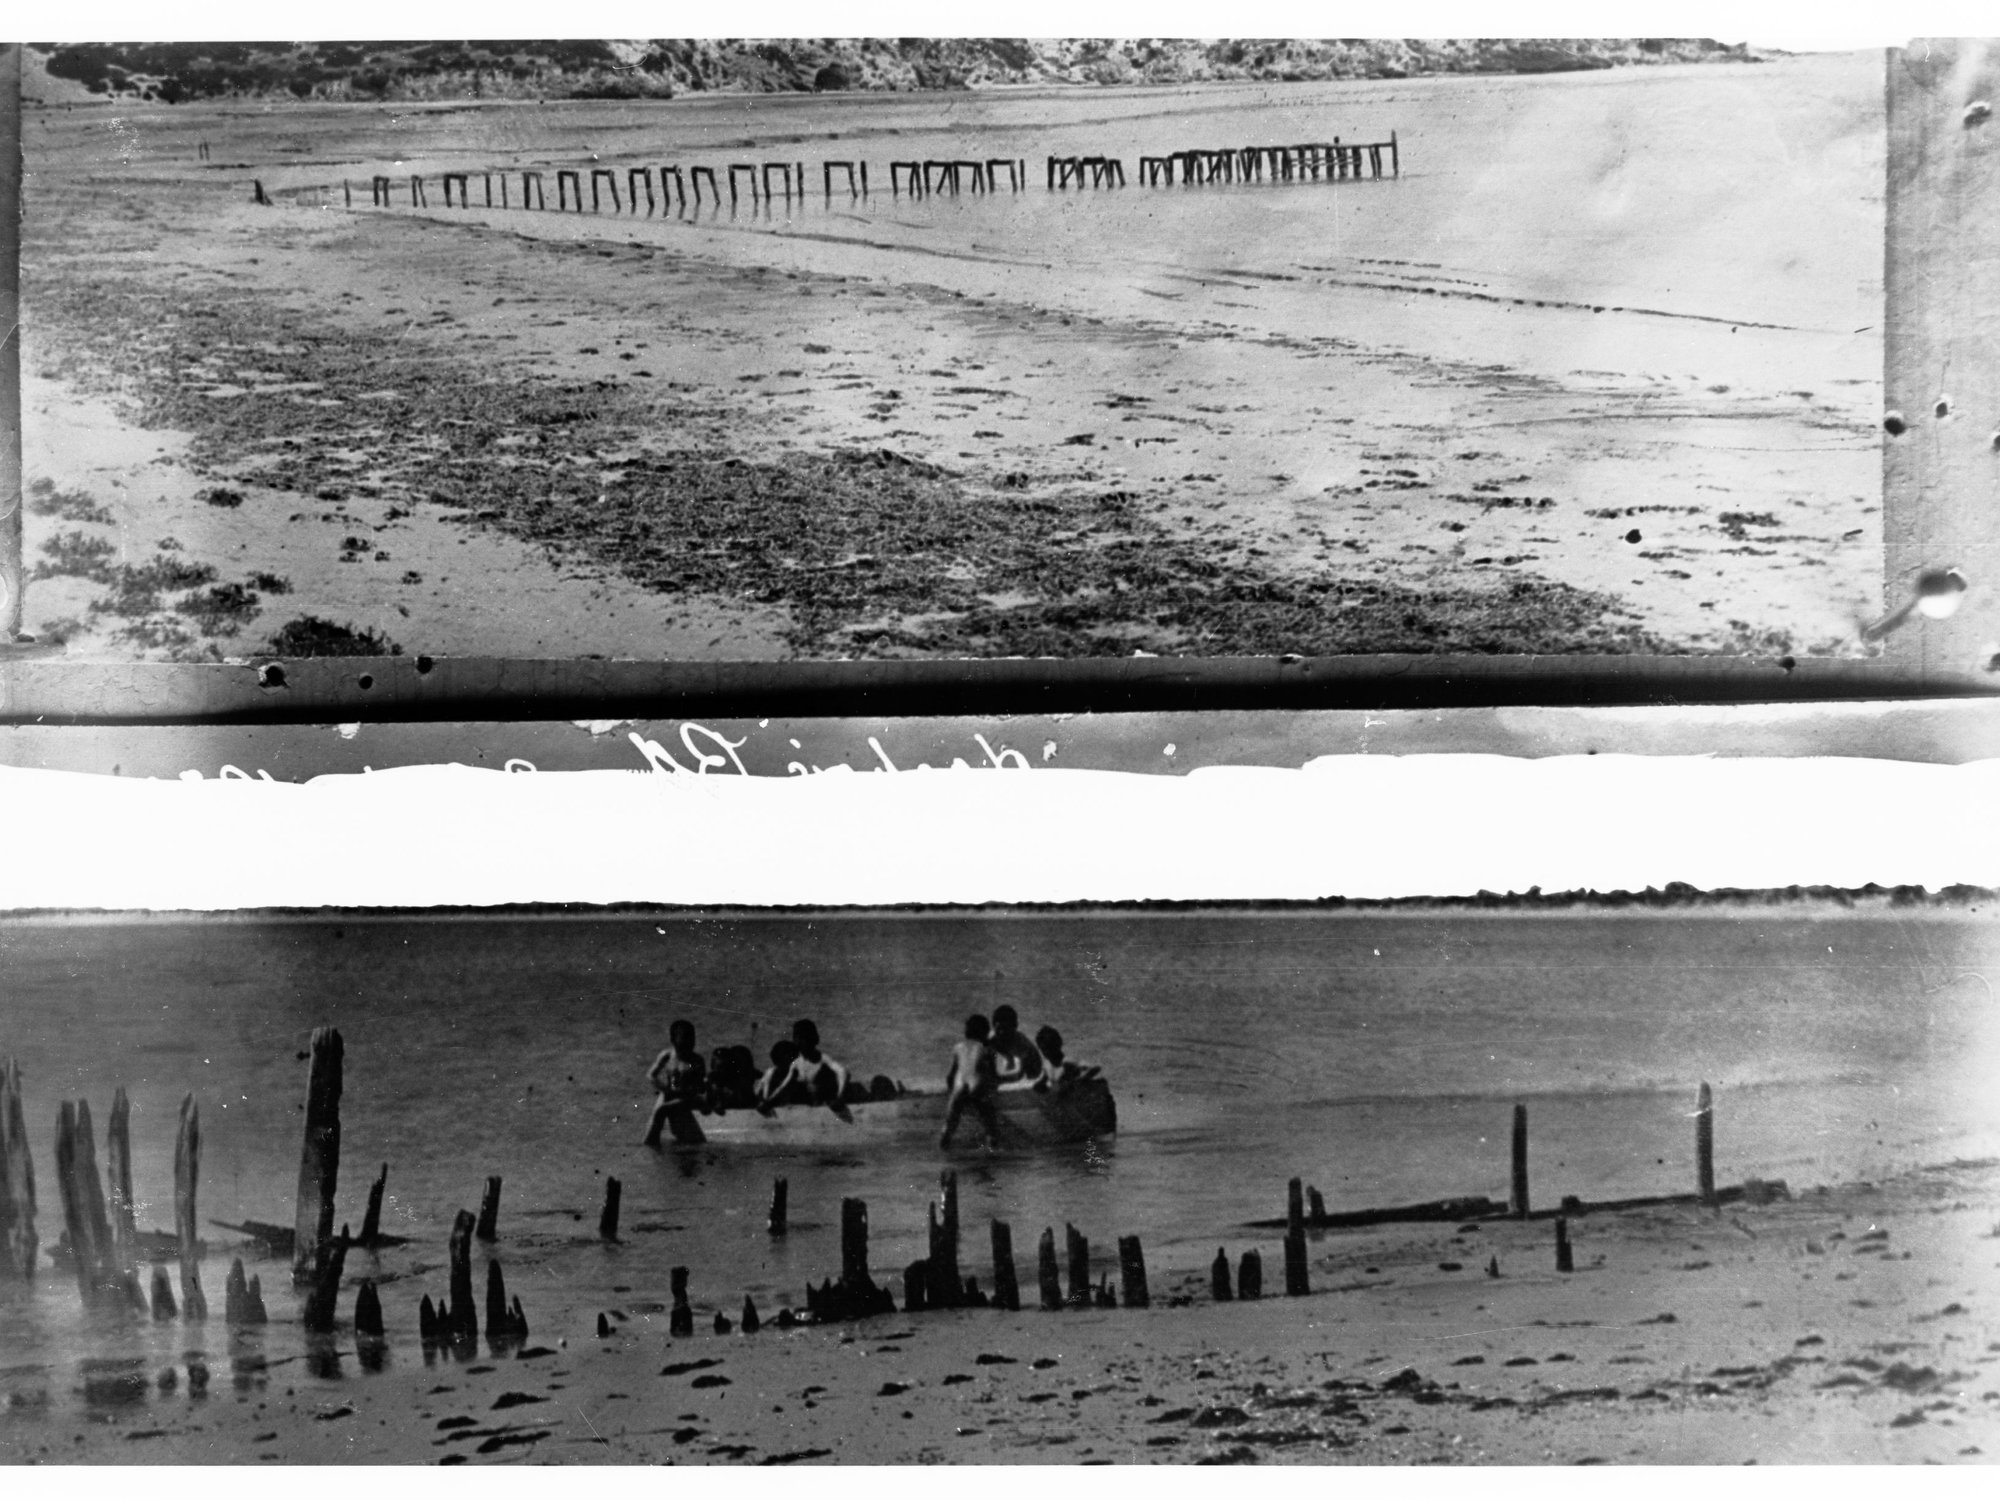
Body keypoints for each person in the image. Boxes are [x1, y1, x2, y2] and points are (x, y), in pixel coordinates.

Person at [940, 1013, 1001, 1149]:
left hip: (959, 1086)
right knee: (990, 1124)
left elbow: (950, 1075)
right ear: (985, 1032)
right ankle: (993, 1149)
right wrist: (993, 1094)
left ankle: (944, 1149)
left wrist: (952, 1093)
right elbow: (993, 1075)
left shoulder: (957, 1048)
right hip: (977, 1085)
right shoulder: (988, 1050)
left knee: (950, 1124)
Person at [642, 1020, 708, 1147]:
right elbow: (651, 1075)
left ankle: (651, 1144)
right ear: (673, 1039)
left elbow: (700, 1086)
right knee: (659, 1106)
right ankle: (649, 1143)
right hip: (671, 1093)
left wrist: (686, 1091)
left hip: (688, 1097)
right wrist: (664, 1088)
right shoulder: (667, 1055)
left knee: (662, 1109)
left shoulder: (696, 1060)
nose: (689, 1042)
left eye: (691, 1038)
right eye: (684, 1038)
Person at [783, 1019, 854, 1120]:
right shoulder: (796, 1065)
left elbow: (844, 1073)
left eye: (805, 1038)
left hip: (825, 1111)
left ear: (813, 1039)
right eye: (797, 1038)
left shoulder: (824, 1060)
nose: (801, 1042)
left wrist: (839, 1096)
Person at [988, 1005, 1044, 1087]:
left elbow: (1027, 1076)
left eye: (1005, 1029)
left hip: (1024, 1085)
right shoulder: (992, 1043)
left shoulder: (1024, 1047)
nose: (1002, 1033)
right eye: (999, 1029)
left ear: (1015, 1026)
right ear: (993, 1026)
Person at [1032, 1025, 1099, 1092]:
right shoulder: (1045, 1067)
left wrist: (1078, 1080)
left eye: (1049, 1048)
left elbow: (1094, 1069)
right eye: (1043, 1049)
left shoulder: (1068, 1062)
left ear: (1058, 1044)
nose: (1046, 1052)